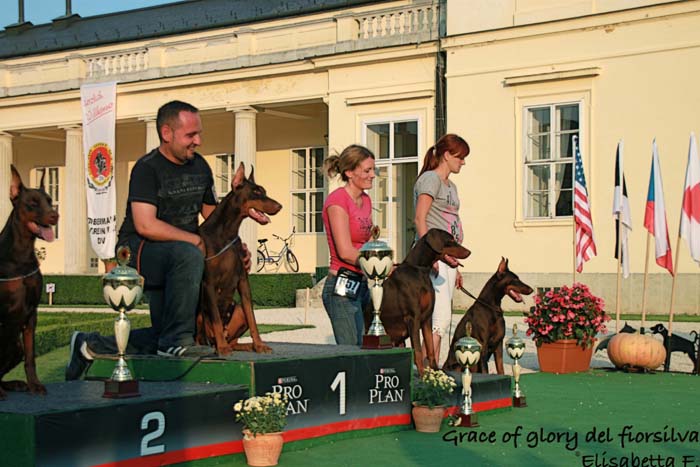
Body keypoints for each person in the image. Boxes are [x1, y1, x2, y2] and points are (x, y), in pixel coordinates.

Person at [65, 100, 250, 380]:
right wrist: (194, 241)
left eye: (199, 134)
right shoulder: (147, 168)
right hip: (138, 250)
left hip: (180, 257)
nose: (198, 141)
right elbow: (145, 224)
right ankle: (176, 343)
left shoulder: (200, 167)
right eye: (190, 135)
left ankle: (88, 345)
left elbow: (214, 220)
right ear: (166, 133)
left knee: (165, 333)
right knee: (187, 260)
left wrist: (233, 249)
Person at [414, 133, 470, 366]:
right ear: (447, 155)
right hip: (434, 256)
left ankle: (432, 368)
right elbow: (420, 218)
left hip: (448, 257)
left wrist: (455, 266)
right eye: (460, 157)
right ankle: (426, 368)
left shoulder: (451, 186)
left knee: (442, 320)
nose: (463, 162)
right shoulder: (430, 179)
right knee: (440, 317)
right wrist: (431, 254)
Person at [321, 145, 376, 346]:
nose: (373, 175)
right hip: (341, 285)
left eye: (373, 169)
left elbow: (366, 242)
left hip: (362, 282)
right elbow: (345, 252)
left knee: (367, 347)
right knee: (352, 350)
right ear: (350, 173)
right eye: (367, 170)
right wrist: (377, 266)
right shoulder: (337, 201)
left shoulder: (366, 200)